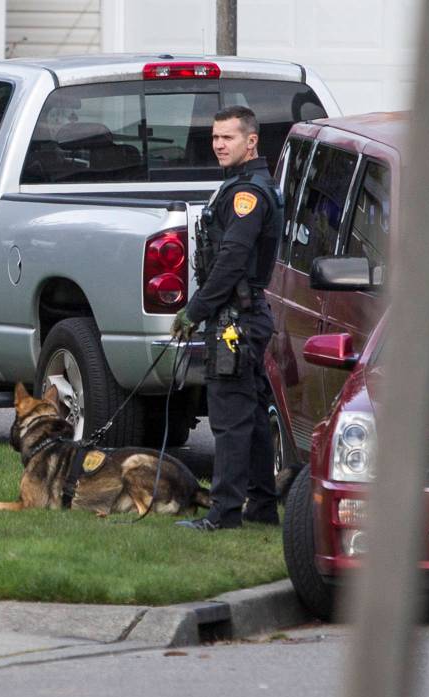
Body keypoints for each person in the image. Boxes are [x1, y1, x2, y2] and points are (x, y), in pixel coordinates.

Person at [172, 106, 282, 530]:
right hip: (244, 316)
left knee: (230, 421)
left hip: (235, 320)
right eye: (216, 137)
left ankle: (223, 514)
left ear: (250, 141)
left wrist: (193, 310)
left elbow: (233, 260)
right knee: (251, 417)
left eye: (228, 138)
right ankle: (262, 506)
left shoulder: (247, 194)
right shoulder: (242, 185)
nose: (219, 144)